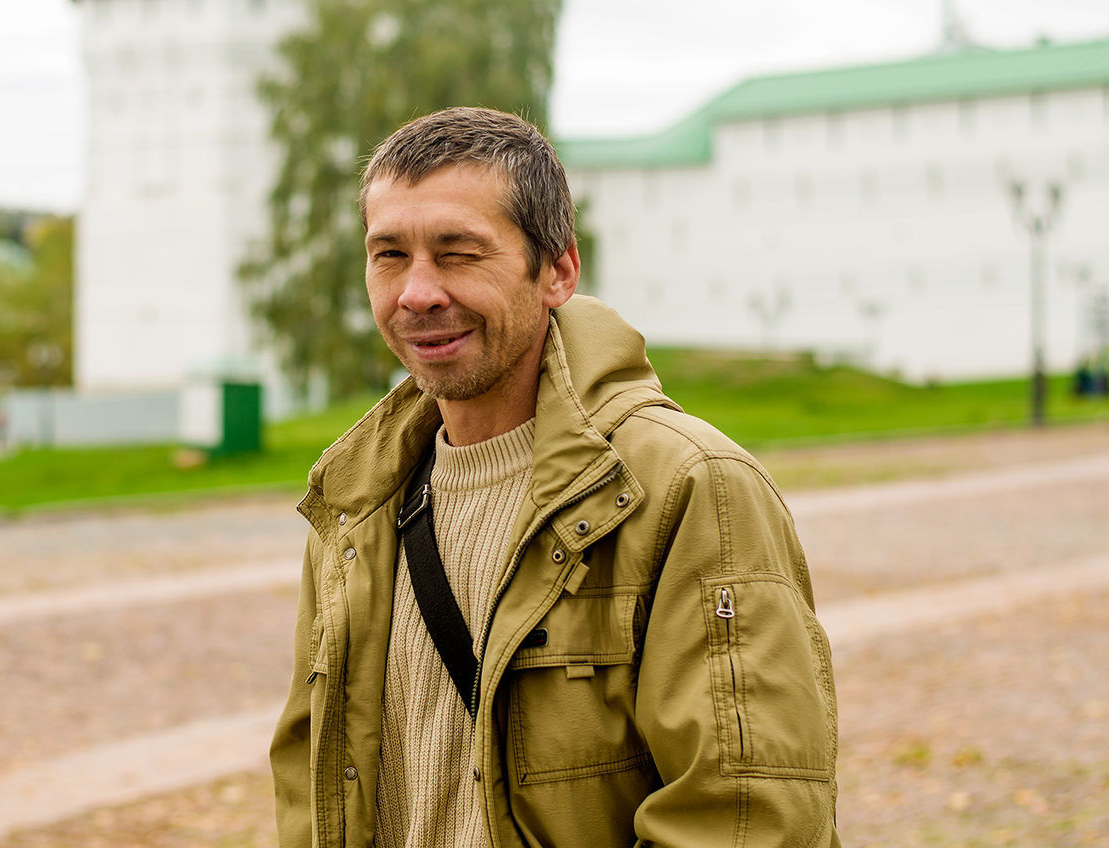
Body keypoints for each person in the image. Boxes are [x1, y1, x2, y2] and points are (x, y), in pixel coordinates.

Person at [270, 107, 842, 847]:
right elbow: (310, 787)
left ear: (559, 270)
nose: (417, 293)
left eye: (458, 253)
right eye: (389, 255)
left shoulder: (689, 488)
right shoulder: (355, 503)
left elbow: (746, 816)